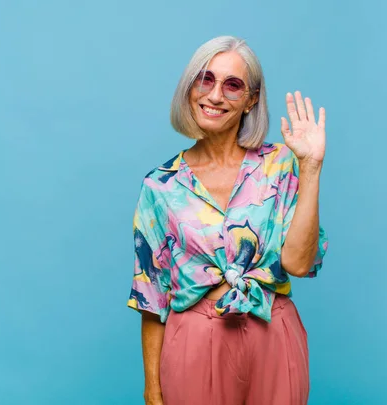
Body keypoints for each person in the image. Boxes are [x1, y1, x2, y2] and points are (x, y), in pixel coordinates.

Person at [127, 35, 329, 405]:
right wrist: (153, 390)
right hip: (194, 339)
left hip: (273, 332)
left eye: (232, 85)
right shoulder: (160, 186)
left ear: (251, 99)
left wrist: (311, 168)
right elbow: (151, 297)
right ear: (190, 88)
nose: (215, 95)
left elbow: (299, 264)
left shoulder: (281, 164)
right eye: (206, 79)